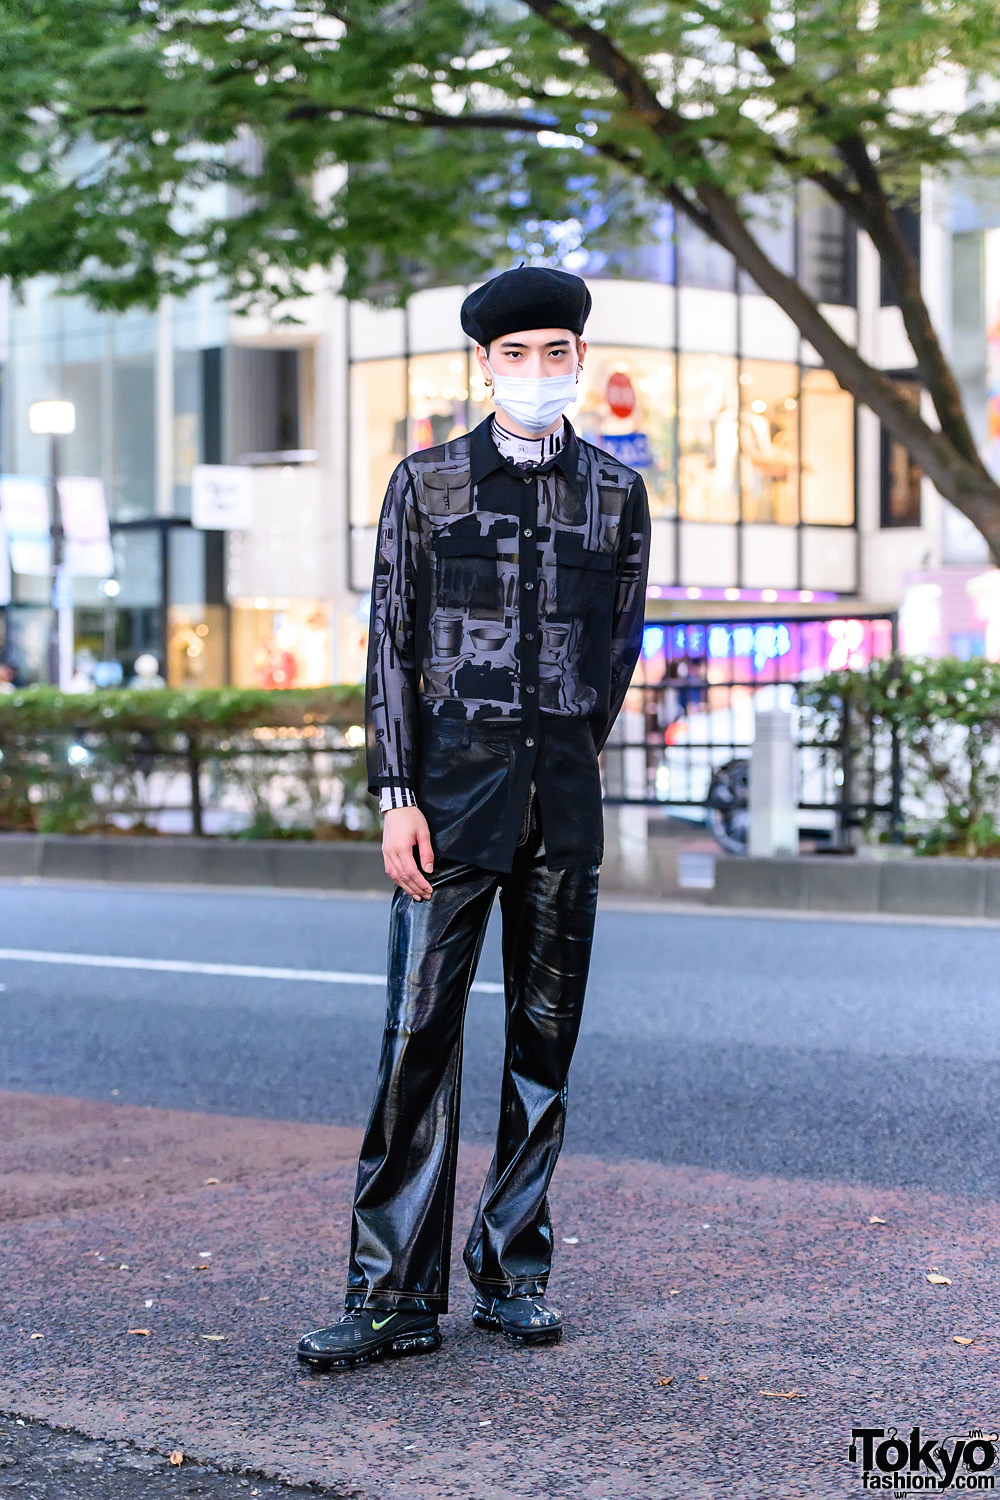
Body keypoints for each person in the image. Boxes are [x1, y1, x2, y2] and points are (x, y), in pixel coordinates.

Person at [297, 265, 650, 1372]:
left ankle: (514, 1272)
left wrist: (569, 757)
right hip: (445, 801)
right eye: (516, 354)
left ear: (578, 361)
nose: (538, 372)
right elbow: (391, 647)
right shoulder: (429, 483)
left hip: (563, 802)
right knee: (416, 1042)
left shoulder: (614, 493)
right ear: (483, 365)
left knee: (544, 1049)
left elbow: (619, 646)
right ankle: (393, 1294)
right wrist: (397, 794)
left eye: (557, 352)